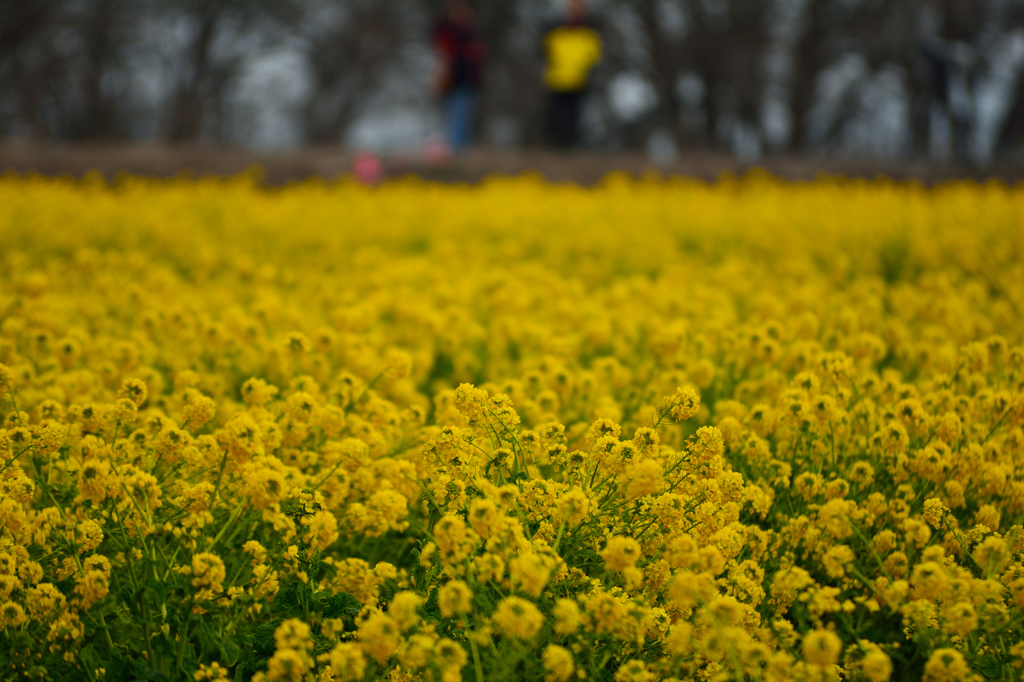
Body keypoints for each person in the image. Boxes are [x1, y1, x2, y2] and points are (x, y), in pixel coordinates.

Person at [542, 0, 602, 149]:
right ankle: (555, 146)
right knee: (555, 117)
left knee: (574, 117)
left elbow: (595, 55)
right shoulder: (555, 30)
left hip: (578, 80)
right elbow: (545, 51)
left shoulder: (589, 32)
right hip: (557, 79)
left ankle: (569, 146)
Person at [432, 1, 486, 153]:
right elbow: (443, 58)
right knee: (455, 115)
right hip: (453, 81)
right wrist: (439, 79)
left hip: (468, 81)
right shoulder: (448, 34)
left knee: (463, 115)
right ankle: (456, 147)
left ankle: (460, 147)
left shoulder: (471, 33)